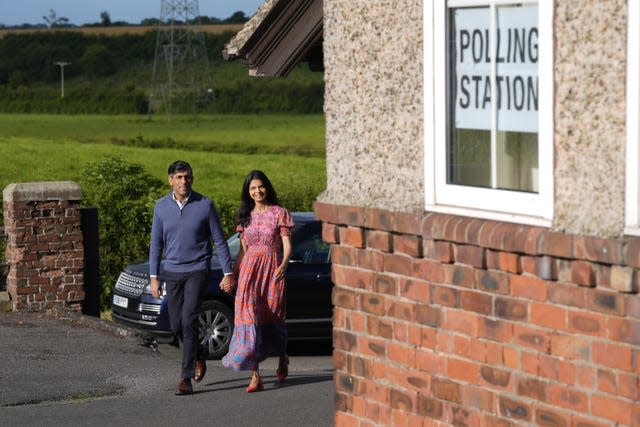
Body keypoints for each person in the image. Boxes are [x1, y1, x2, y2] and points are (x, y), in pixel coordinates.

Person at [149, 160, 235, 396]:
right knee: (176, 323)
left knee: (188, 320)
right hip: (172, 272)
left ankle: (185, 378)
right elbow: (156, 244)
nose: (183, 181)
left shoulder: (205, 205)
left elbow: (219, 240)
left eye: (187, 177)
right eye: (178, 177)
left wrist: (228, 272)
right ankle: (199, 353)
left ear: (192, 179)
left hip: (198, 269)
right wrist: (154, 277)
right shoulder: (161, 207)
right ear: (171, 180)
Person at [221, 170, 293, 392]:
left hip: (272, 271)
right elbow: (243, 252)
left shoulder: (279, 213)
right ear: (248, 192)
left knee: (272, 317)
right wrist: (231, 275)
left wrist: (284, 264)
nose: (257, 191)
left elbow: (287, 244)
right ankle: (255, 375)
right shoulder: (245, 216)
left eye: (260, 186)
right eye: (252, 188)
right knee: (249, 318)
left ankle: (282, 356)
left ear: (267, 187)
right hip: (249, 273)